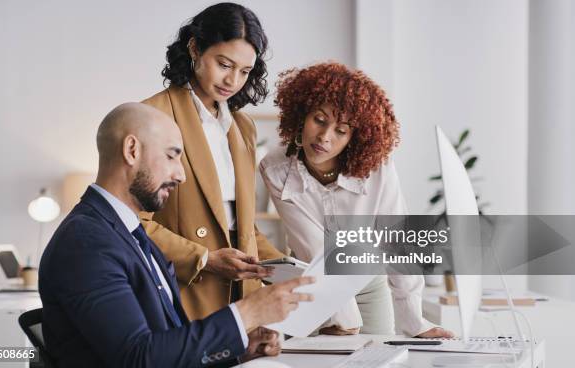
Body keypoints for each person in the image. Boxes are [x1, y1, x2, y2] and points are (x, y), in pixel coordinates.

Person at [39, 102, 314, 368]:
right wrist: (247, 314)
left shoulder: (128, 232)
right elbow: (137, 358)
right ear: (132, 150)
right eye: (172, 155)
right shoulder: (87, 243)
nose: (181, 175)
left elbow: (167, 349)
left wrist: (238, 352)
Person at [259, 62, 453, 338]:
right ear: (302, 114)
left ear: (355, 137)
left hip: (369, 284)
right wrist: (342, 316)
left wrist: (414, 322)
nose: (324, 137)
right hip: (310, 283)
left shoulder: (378, 169)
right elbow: (310, 245)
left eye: (341, 130)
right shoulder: (276, 168)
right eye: (320, 120)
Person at [140, 2, 284, 321]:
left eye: (245, 71)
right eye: (224, 64)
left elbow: (240, 225)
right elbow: (133, 223)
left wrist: (289, 271)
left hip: (241, 294)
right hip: (183, 292)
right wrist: (204, 258)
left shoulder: (242, 127)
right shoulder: (153, 117)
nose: (232, 80)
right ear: (194, 47)